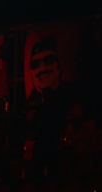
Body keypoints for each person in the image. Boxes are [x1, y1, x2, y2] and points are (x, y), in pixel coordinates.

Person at [27, 36, 77, 183]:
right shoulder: (40, 106)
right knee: (46, 171)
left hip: (47, 143)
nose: (42, 68)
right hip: (48, 143)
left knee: (46, 170)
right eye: (36, 64)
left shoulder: (71, 94)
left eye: (48, 60)